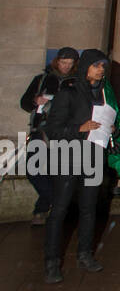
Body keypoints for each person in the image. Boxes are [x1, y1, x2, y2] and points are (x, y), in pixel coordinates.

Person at [42, 49, 116, 283]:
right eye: (97, 66)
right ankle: (52, 262)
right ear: (85, 67)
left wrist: (108, 129)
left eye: (103, 66)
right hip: (69, 154)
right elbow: (52, 129)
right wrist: (78, 129)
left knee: (88, 207)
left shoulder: (103, 94)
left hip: (93, 155)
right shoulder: (69, 93)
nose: (101, 70)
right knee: (60, 210)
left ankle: (85, 254)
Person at [20, 47, 78, 225]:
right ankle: (56, 201)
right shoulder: (42, 80)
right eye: (63, 62)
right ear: (56, 62)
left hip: (63, 132)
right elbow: (25, 103)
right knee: (33, 169)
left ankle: (42, 210)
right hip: (41, 130)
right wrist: (35, 101)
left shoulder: (77, 82)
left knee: (56, 172)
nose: (66, 67)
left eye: (70, 63)